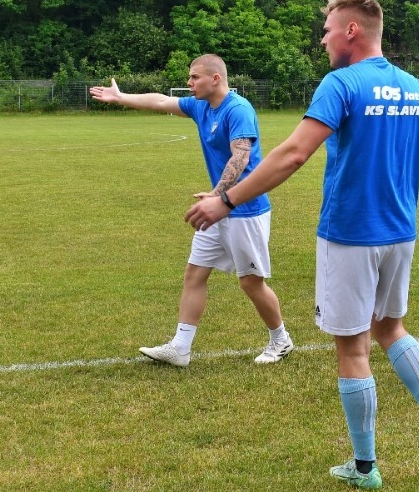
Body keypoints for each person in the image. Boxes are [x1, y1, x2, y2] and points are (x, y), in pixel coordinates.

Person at [185, 0, 419, 489]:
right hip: (401, 234)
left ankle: (365, 468)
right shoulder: (416, 88)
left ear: (352, 30)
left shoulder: (341, 83)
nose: (323, 39)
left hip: (350, 234)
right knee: (391, 329)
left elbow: (291, 155)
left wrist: (226, 200)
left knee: (353, 347)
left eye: (327, 29)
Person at [89, 54, 293, 367]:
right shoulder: (200, 107)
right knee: (194, 274)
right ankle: (180, 348)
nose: (189, 83)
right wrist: (120, 97)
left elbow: (240, 156)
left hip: (244, 209)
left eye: (194, 77)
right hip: (216, 208)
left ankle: (281, 341)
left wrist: (218, 195)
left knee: (250, 282)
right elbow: (160, 101)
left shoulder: (238, 109)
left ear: (215, 79)